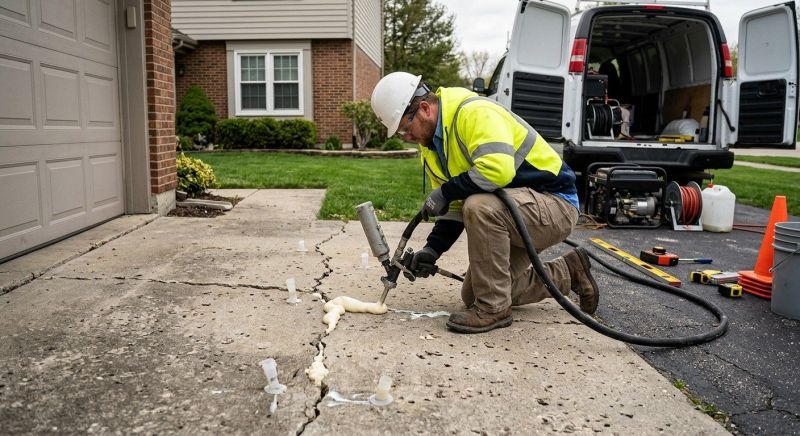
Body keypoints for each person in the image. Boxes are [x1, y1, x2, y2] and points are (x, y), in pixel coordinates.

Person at [370, 72, 599, 334]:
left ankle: (494, 311)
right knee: (477, 293)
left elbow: (496, 171)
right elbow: (454, 206)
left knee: (479, 206)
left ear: (423, 108)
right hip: (515, 213)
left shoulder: (474, 112)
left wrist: (446, 190)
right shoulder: (432, 148)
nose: (406, 137)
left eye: (404, 128)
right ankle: (569, 272)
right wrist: (433, 250)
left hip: (554, 204)